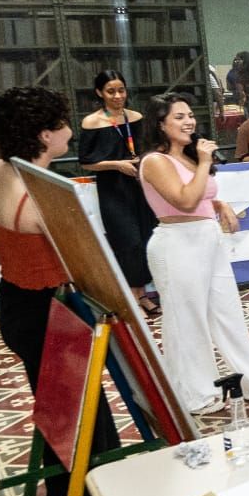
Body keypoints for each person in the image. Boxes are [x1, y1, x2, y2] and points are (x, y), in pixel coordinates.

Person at [0, 86, 122, 496]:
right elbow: (80, 261)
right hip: (50, 311)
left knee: (67, 412)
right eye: (62, 125)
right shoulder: (42, 193)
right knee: (76, 418)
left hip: (17, 305)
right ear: (44, 135)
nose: (69, 132)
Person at [138, 92, 249, 414]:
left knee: (227, 313)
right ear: (160, 124)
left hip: (208, 239)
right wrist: (205, 161)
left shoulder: (188, 157)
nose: (188, 122)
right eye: (179, 117)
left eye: (190, 115)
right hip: (176, 244)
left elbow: (199, 196)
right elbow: (183, 200)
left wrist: (219, 204)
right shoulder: (154, 161)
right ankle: (197, 394)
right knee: (187, 321)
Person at [79, 69, 159, 317]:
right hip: (113, 190)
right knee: (128, 242)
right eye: (110, 91)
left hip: (139, 186)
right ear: (99, 93)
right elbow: (86, 162)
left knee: (145, 239)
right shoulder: (92, 122)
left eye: (121, 90)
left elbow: (148, 148)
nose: (117, 96)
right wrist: (116, 164)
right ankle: (132, 299)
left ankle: (142, 294)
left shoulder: (136, 118)